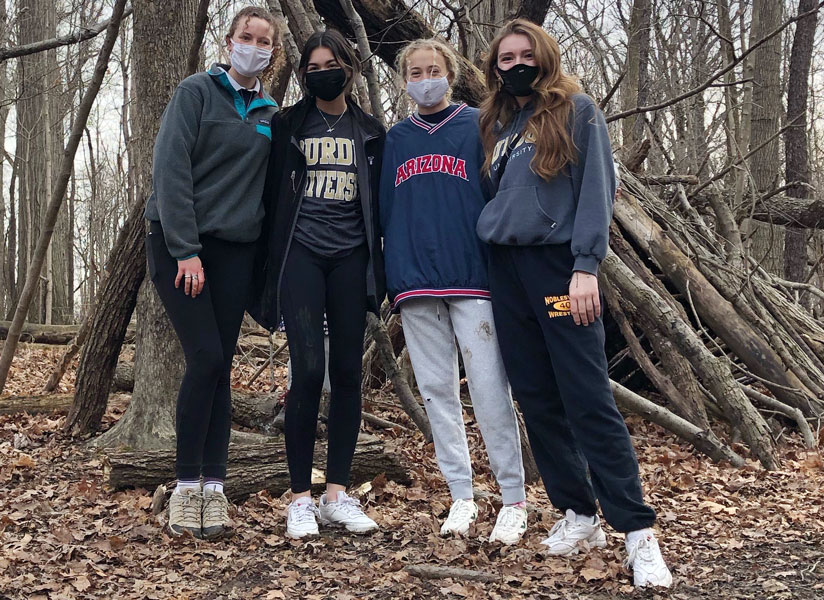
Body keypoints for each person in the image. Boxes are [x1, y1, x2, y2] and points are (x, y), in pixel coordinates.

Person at [475, 19, 673, 587]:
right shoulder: (498, 124)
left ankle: (638, 534)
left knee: (585, 395)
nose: (515, 65)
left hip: (559, 272)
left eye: (524, 55)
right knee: (536, 397)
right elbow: (494, 200)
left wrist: (586, 266)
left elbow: (596, 189)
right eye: (504, 58)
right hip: (506, 275)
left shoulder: (577, 110)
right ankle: (579, 513)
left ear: (544, 58)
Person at [380, 38, 528, 545]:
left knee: (490, 390)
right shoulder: (396, 140)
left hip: (473, 278)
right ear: (405, 81)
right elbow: (383, 214)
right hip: (415, 283)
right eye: (416, 72)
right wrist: (390, 276)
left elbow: (505, 191)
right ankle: (461, 496)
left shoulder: (478, 124)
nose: (426, 79)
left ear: (449, 72)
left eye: (434, 69)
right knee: (437, 392)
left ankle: (513, 499)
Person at [144, 7, 281, 539]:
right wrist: (185, 249)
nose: (253, 45)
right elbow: (171, 168)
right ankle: (185, 486)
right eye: (245, 36)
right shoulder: (196, 92)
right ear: (229, 41)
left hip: (236, 254)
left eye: (263, 40)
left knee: (220, 364)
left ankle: (215, 488)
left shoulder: (273, 115)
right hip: (181, 247)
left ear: (272, 52)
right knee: (203, 357)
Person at [252, 30, 385, 539]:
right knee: (308, 371)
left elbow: (382, 207)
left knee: (348, 373)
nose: (321, 72)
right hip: (301, 257)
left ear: (349, 68)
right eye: (312, 67)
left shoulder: (371, 131)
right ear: (303, 74)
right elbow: (264, 195)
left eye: (331, 64)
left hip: (352, 259)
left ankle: (337, 494)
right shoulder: (287, 124)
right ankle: (300, 499)